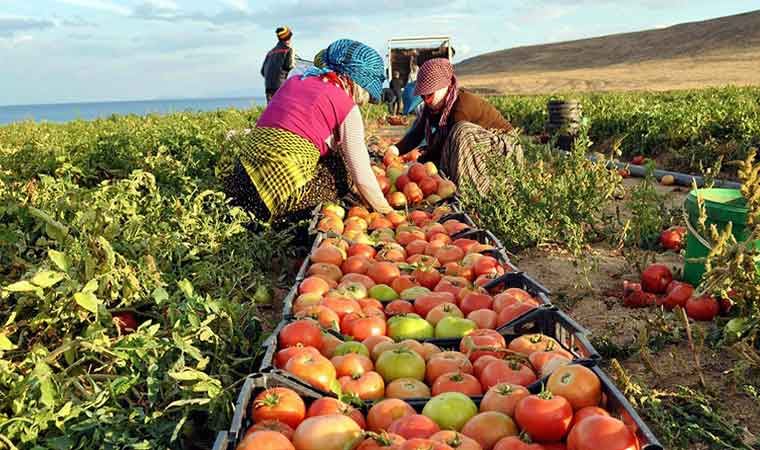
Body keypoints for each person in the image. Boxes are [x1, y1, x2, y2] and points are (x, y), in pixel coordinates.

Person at [225, 39, 392, 227]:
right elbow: (361, 174)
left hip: (241, 183)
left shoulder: (294, 82)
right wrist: (387, 212)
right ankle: (286, 218)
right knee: (344, 171)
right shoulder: (345, 104)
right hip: (279, 197)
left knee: (329, 155)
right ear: (359, 84)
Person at [387, 58, 520, 195]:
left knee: (460, 131)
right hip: (474, 145)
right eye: (422, 95)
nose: (425, 99)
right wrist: (395, 150)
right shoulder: (434, 105)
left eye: (429, 94)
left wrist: (417, 165)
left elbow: (444, 143)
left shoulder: (462, 105)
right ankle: (451, 186)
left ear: (445, 87)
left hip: (501, 147)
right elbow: (417, 132)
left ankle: (473, 193)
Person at [260, 26, 295, 103]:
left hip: (268, 87)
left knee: (271, 110)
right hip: (280, 87)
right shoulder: (288, 50)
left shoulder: (270, 52)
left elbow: (262, 72)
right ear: (288, 38)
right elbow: (288, 67)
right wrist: (294, 63)